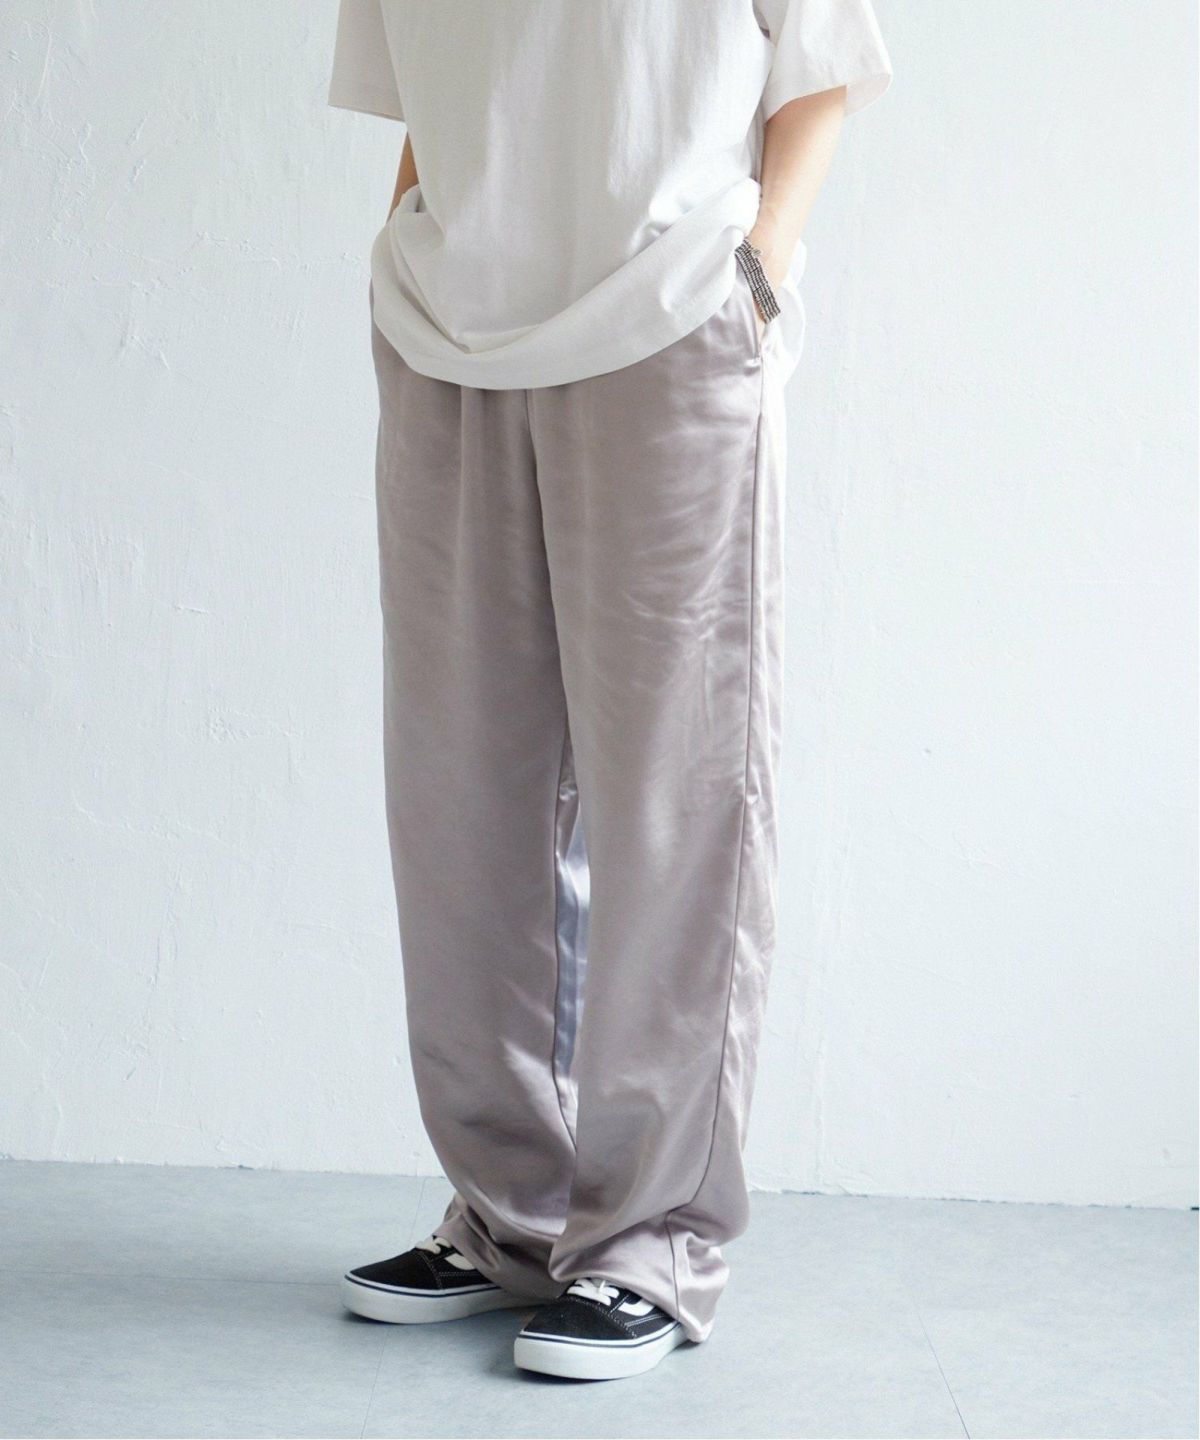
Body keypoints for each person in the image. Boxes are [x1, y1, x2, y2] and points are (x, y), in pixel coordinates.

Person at [327, 0, 891, 1382]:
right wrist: (403, 248)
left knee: (675, 802)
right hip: (449, 335)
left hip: (671, 314)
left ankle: (652, 1241)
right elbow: (433, 98)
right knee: (461, 801)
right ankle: (509, 1217)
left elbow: (821, 69)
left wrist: (759, 268)